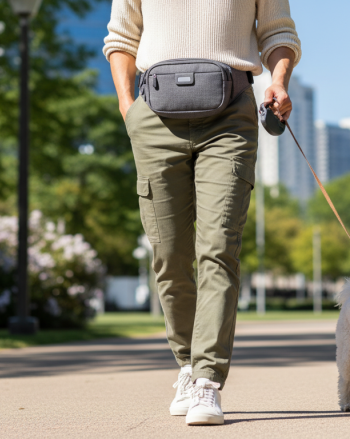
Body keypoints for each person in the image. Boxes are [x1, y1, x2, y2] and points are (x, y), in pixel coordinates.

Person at [103, 0, 301, 426]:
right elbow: (121, 36)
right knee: (168, 254)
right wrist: (127, 106)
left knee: (217, 248)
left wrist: (279, 81)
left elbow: (278, 34)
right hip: (154, 117)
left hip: (230, 118)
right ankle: (188, 366)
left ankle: (207, 380)